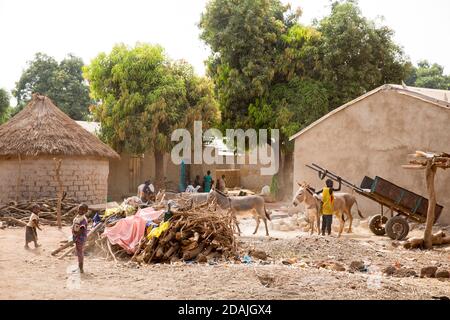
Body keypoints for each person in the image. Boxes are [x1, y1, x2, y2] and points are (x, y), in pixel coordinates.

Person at [72, 203, 89, 273]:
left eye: (83, 210)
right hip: (77, 237)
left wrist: (76, 235)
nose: (80, 211)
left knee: (80, 253)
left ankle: (81, 268)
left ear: (86, 211)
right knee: (78, 252)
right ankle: (79, 267)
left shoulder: (83, 219)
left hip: (80, 238)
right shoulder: (78, 217)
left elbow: (81, 229)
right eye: (79, 209)